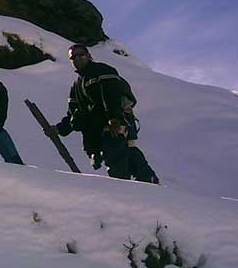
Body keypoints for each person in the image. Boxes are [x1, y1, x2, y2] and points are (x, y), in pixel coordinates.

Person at [46, 44, 158, 183]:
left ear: (89, 55)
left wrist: (114, 119)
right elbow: (73, 113)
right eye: (73, 57)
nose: (77, 58)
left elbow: (111, 96)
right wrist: (59, 128)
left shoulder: (103, 71)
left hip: (114, 127)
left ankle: (126, 190)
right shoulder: (77, 86)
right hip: (97, 131)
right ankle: (149, 183)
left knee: (116, 159)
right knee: (127, 154)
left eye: (81, 54)